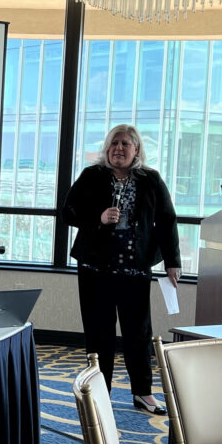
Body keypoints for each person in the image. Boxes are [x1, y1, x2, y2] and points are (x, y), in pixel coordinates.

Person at [62, 124, 181, 415]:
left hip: (135, 270)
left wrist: (172, 261)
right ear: (107, 148)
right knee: (99, 333)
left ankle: (143, 393)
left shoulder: (151, 179)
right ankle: (101, 394)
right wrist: (98, 218)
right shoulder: (92, 176)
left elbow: (166, 221)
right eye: (114, 143)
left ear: (136, 149)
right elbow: (68, 211)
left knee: (138, 334)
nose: (118, 148)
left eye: (125, 144)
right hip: (95, 268)